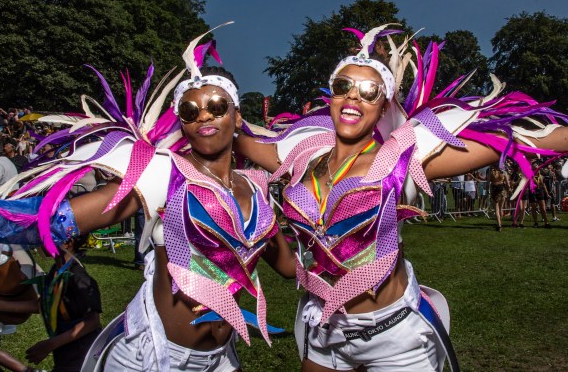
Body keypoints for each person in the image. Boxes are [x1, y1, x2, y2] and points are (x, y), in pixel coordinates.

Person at [234, 24, 568, 371]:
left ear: (383, 108)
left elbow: (511, 138)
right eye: (343, 86)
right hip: (326, 333)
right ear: (330, 98)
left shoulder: (402, 160)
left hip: (394, 338)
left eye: (369, 91)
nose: (353, 96)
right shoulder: (300, 158)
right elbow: (228, 138)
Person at [0, 27, 295, 372]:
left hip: (221, 357)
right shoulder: (164, 174)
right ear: (182, 123)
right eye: (190, 111)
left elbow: (286, 268)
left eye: (217, 106)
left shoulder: (255, 187)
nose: (204, 116)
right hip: (155, 359)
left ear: (237, 116)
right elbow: (56, 218)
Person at [25, 235, 102, 372]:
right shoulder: (56, 272)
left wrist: (50, 344)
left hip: (82, 354)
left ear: (67, 243)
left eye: (46, 236)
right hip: (65, 353)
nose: (40, 241)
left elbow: (92, 321)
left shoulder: (78, 277)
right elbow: (44, 305)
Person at [490, 166, 510, 231]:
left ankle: (498, 225)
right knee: (501, 208)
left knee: (496, 209)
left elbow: (487, 183)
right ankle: (500, 223)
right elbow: (508, 184)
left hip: (494, 189)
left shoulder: (491, 172)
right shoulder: (504, 172)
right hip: (502, 190)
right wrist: (508, 189)